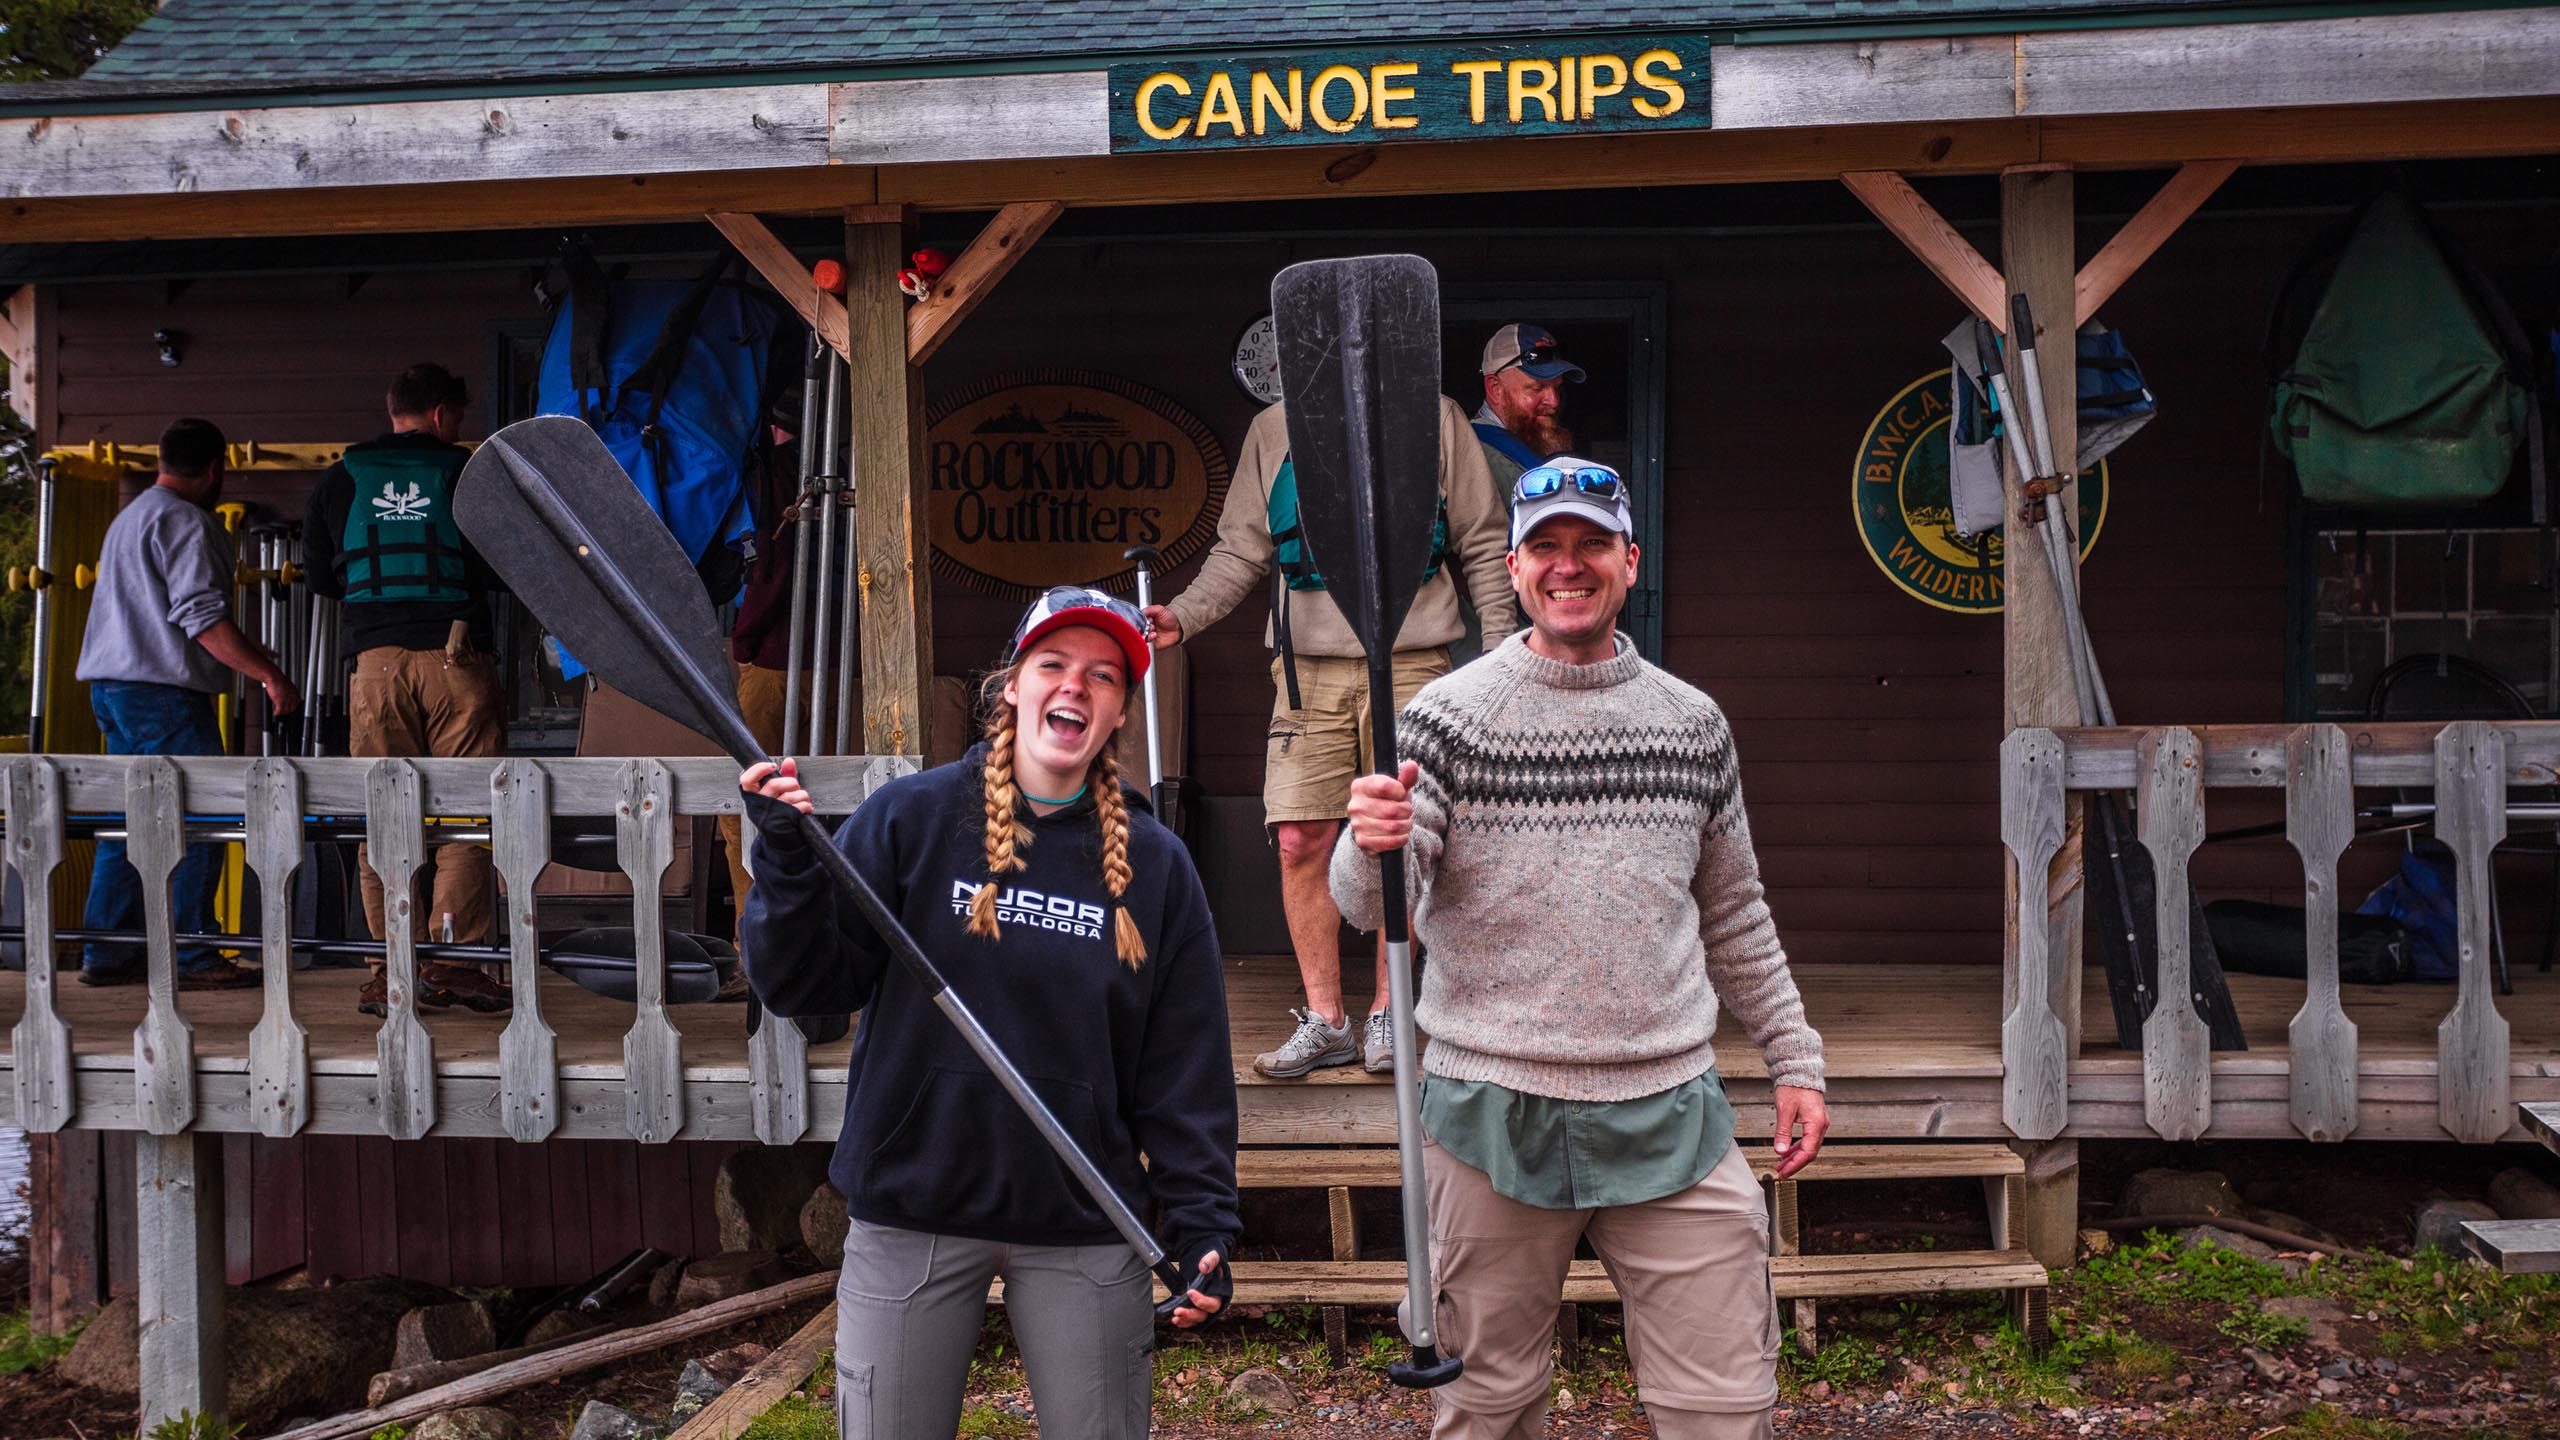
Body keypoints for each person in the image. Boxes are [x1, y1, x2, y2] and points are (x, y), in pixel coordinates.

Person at [1335, 459, 1830, 1440]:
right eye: (1546, 549)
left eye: (1590, 545)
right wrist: (1368, 839)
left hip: (1672, 1113)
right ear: (1514, 570)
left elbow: (1733, 910)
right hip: (1487, 1112)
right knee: (1484, 1406)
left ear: (1628, 561)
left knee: (1725, 1407)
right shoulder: (1447, 718)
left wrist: (1795, 1055)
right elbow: (1366, 907)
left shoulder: (1691, 726)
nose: (1569, 567)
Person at [740, 586, 1237, 1440]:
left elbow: (1184, 1067)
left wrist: (1202, 1222)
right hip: (913, 1207)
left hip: (1085, 1221)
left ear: (1120, 709)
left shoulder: (1157, 867)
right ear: (1012, 685)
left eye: (1103, 676)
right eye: (1053, 666)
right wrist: (786, 866)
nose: (1075, 688)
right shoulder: (910, 819)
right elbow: (806, 988)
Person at [1147, 396, 1514, 1080]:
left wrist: (1498, 653)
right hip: (1304, 667)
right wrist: (1184, 617)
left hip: (1412, 659)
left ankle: (1385, 1010)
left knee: (1398, 835)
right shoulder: (1273, 427)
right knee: (1298, 838)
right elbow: (1242, 550)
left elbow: (1485, 540)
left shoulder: (1432, 415)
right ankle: (1328, 1021)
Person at [302, 362, 509, 1017]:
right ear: (444, 414)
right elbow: (503, 564)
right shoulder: (467, 473)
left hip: (376, 665)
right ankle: (456, 962)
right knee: (469, 817)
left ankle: (391, 969)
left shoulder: (339, 479)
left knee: (385, 818)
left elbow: (320, 577)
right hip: (458, 659)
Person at [76, 418, 300, 987]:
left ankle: (106, 951)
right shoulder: (188, 523)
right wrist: (269, 674)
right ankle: (195, 955)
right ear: (215, 468)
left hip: (112, 688)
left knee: (127, 820)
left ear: (162, 461)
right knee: (208, 815)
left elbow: (166, 616)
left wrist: (243, 650)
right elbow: (201, 619)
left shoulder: (130, 519)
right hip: (162, 694)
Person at [1471, 324, 1584, 492]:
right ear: (1496, 389)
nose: (1554, 401)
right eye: (1537, 389)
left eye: (1557, 388)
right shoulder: (1473, 456)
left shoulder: (1531, 440)